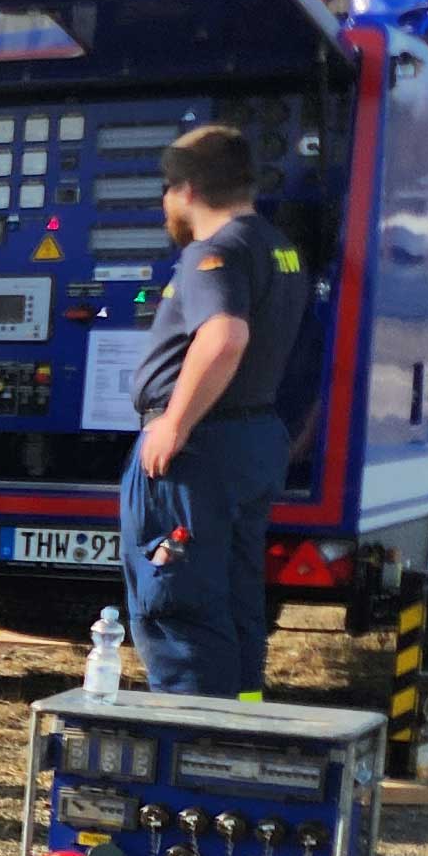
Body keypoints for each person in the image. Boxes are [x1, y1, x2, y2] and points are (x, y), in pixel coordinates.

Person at [121, 125, 309, 701]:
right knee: (234, 599)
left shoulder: (213, 252)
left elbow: (224, 338)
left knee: (178, 602)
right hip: (251, 437)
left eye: (167, 189)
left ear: (186, 190)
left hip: (200, 451)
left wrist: (174, 423)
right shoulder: (278, 248)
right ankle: (239, 725)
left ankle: (189, 739)